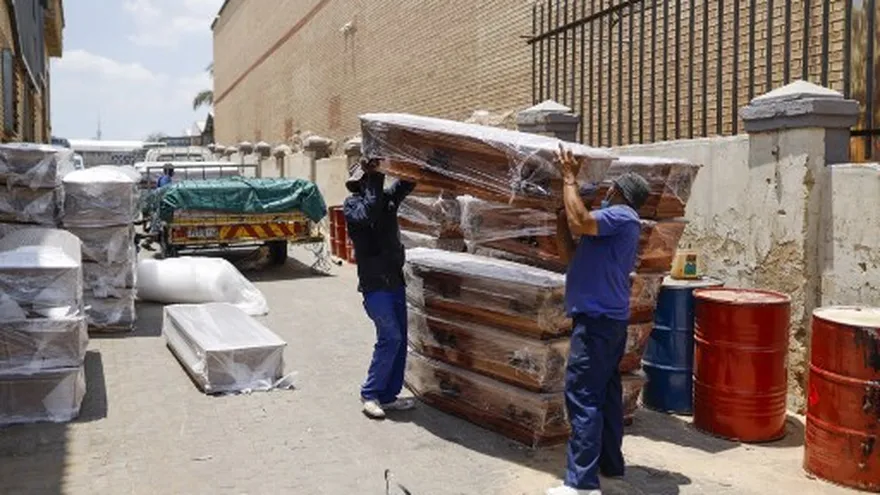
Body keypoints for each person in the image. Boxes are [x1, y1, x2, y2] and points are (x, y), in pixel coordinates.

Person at [547, 145, 650, 495]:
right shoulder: (607, 228)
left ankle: (582, 483)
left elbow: (582, 220)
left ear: (620, 193)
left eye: (610, 189)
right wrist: (562, 214)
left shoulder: (621, 216)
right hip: (604, 322)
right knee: (604, 394)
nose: (605, 194)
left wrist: (569, 178)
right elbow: (570, 253)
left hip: (597, 323)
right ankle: (610, 464)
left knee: (583, 396)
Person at [343, 157, 417, 420]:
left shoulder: (385, 200)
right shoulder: (353, 206)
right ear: (360, 184)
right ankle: (370, 393)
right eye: (368, 179)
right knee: (390, 338)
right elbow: (370, 210)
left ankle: (387, 396)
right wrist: (375, 174)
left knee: (400, 341)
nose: (373, 182)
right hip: (375, 287)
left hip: (395, 282)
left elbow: (405, 186)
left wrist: (422, 162)